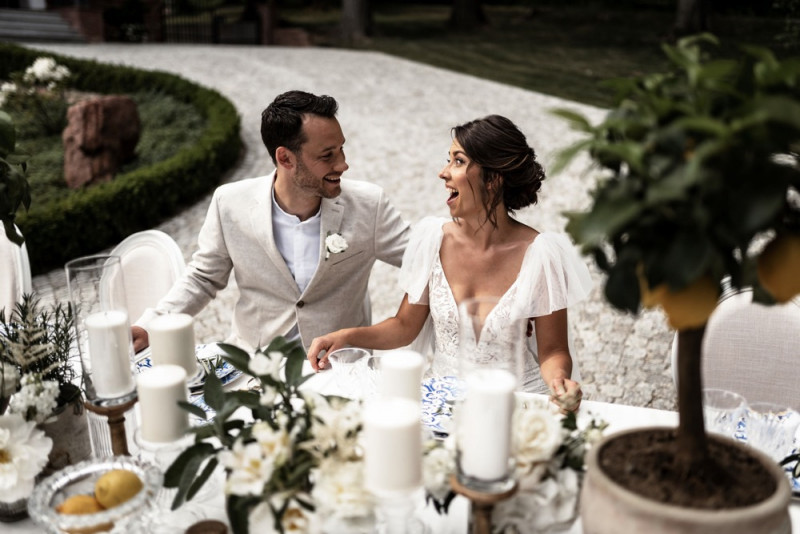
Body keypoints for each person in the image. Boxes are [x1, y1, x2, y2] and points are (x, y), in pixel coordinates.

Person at [306, 114, 592, 411]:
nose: (444, 173)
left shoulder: (542, 254)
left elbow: (553, 350)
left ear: (493, 179)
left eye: (458, 161)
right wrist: (343, 336)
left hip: (516, 399)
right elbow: (404, 327)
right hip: (442, 399)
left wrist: (559, 380)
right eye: (449, 160)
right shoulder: (432, 239)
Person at [132, 90, 409, 353]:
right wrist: (150, 326)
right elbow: (203, 278)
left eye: (341, 150)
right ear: (285, 158)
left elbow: (425, 259)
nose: (342, 164)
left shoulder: (369, 205)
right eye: (328, 155)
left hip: (338, 365)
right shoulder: (229, 204)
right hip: (255, 362)